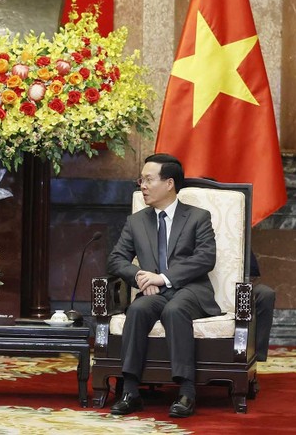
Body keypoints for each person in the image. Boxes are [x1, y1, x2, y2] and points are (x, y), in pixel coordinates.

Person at [107, 153, 221, 419]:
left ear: (169, 183)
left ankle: (186, 391)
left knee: (175, 310)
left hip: (190, 291)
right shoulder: (137, 221)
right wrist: (140, 276)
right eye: (141, 180)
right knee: (137, 309)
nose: (142, 186)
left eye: (148, 180)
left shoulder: (197, 217)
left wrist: (164, 278)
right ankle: (131, 391)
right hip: (154, 293)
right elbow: (115, 259)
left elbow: (206, 258)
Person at [251, 252, 276, 362]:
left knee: (265, 294)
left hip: (240, 283)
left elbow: (252, 272)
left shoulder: (235, 238)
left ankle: (257, 357)